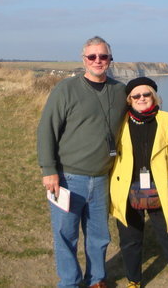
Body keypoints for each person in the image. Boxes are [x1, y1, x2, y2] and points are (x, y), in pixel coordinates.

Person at [37, 36, 127, 288]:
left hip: (102, 177)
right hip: (68, 176)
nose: (98, 61)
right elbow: (46, 130)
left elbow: (145, 108)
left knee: (99, 235)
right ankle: (70, 282)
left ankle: (96, 279)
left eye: (103, 56)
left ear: (110, 59)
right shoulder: (66, 89)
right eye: (92, 56)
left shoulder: (120, 91)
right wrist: (49, 170)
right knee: (65, 235)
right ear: (84, 59)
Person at [109, 77, 168, 288]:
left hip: (161, 189)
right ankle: (134, 281)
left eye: (146, 94)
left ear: (154, 96)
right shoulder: (119, 122)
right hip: (126, 188)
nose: (141, 98)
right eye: (135, 95)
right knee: (130, 241)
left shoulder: (167, 120)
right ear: (129, 100)